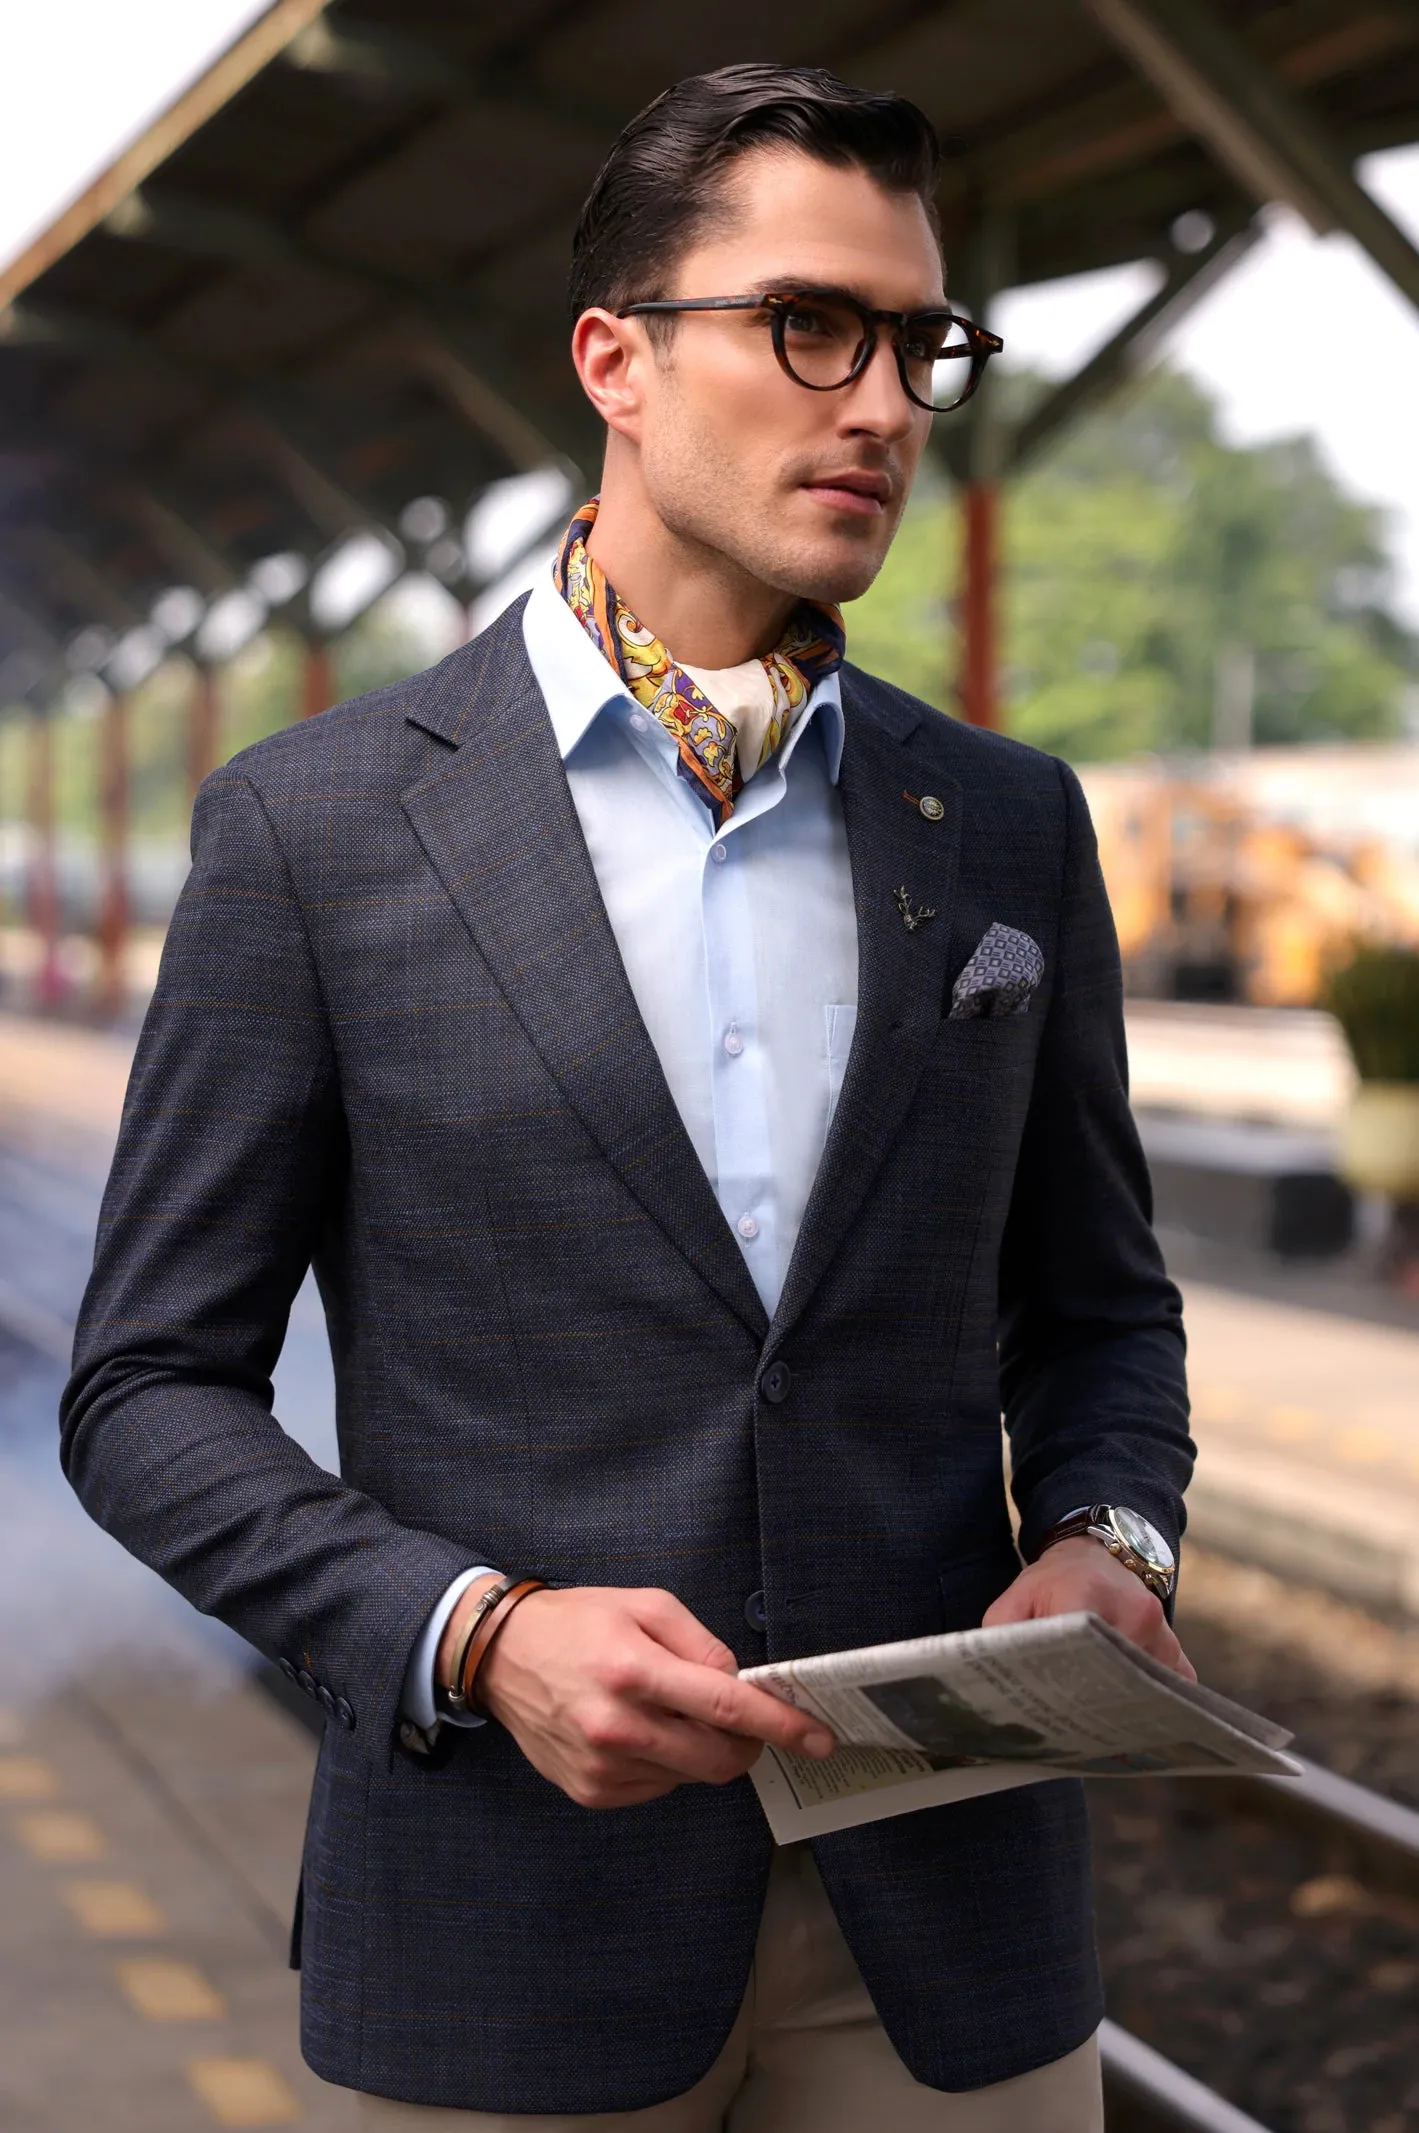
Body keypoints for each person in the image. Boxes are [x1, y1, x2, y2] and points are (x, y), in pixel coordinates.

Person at [60, 61, 1194, 2133]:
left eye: (915, 344)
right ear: (617, 363)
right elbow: (146, 1389)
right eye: (806, 326)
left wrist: (1116, 1535)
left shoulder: (1007, 824)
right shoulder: (314, 829)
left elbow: (1101, 1311)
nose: (878, 405)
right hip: (502, 1921)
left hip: (950, 1932)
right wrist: (473, 1632)